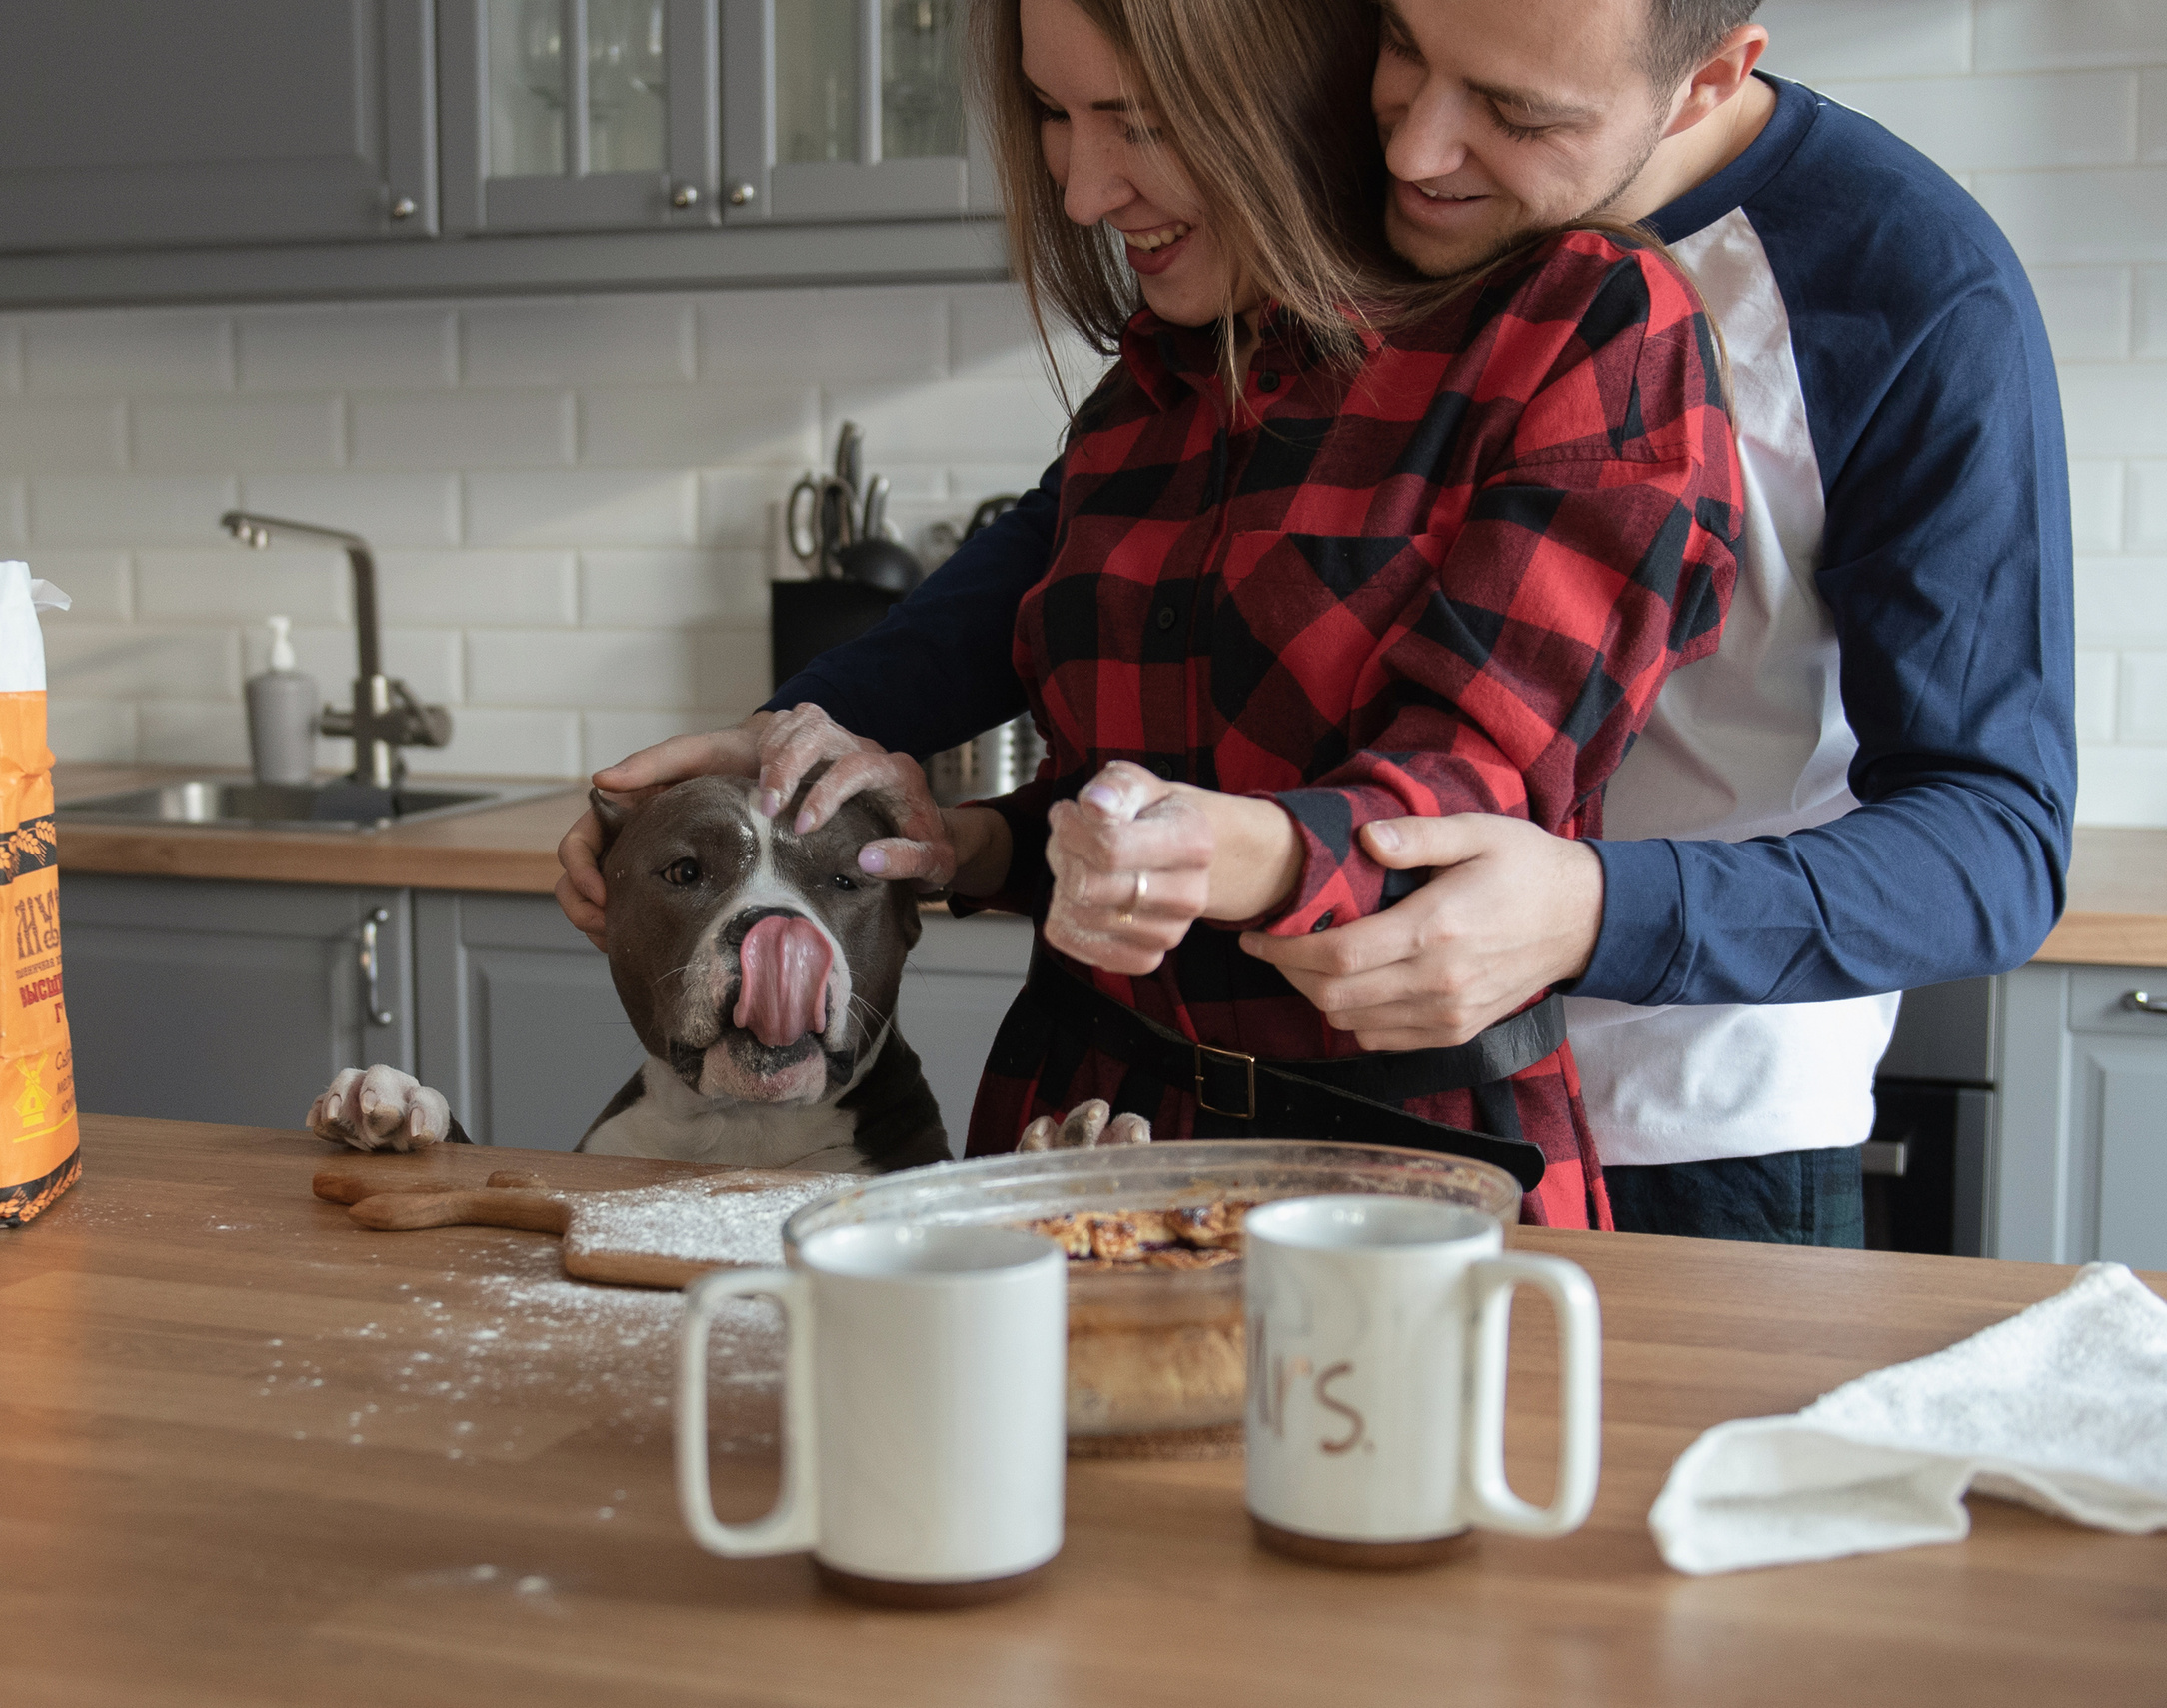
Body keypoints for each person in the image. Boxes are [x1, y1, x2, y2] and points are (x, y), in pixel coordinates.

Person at [561, 0, 2074, 1248]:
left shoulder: (1901, 294)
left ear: (1707, 80)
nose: (1416, 146)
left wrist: (1595, 908)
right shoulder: (1356, 230)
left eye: (1516, 111)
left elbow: (1998, 836)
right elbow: (1081, 535)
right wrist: (793, 748)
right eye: (1400, 49)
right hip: (1195, 1092)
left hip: (1677, 1127)